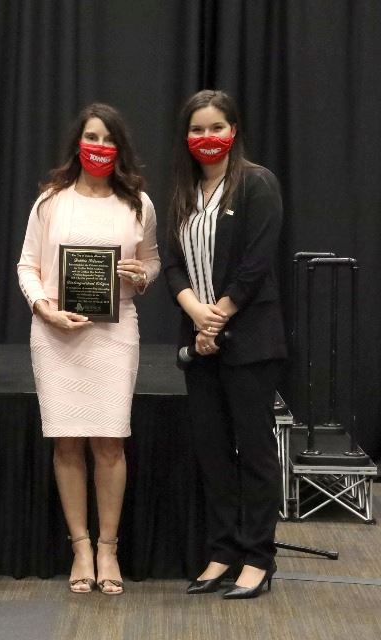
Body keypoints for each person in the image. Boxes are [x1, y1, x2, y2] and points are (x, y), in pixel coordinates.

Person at [17, 103, 160, 595]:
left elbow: (153, 260)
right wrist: (43, 308)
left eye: (107, 139)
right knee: (67, 440)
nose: (98, 147)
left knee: (110, 441)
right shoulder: (49, 201)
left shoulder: (138, 202)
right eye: (91, 138)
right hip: (56, 334)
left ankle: (108, 547)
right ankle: (80, 545)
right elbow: (26, 266)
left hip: (113, 334)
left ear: (119, 148)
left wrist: (143, 277)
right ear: (77, 143)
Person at [164, 89, 287, 599]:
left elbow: (257, 261)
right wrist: (196, 314)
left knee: (254, 452)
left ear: (233, 130)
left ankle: (259, 559)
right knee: (213, 453)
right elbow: (172, 263)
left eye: (216, 127)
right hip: (199, 342)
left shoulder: (257, 183)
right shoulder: (183, 192)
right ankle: (222, 551)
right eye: (197, 129)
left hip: (249, 341)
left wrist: (221, 315)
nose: (206, 137)